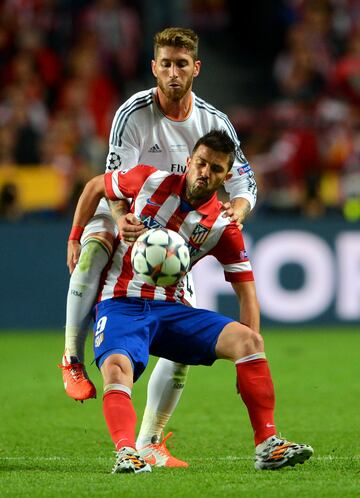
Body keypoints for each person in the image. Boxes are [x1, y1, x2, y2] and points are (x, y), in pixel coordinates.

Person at [60, 27, 257, 467]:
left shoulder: (214, 123)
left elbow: (246, 182)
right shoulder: (132, 113)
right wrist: (117, 220)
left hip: (177, 232)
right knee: (93, 252)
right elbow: (112, 181)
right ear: (154, 66)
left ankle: (151, 440)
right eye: (165, 63)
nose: (172, 72)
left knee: (179, 341)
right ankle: (71, 355)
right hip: (130, 209)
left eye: (181, 64)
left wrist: (239, 209)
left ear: (196, 69)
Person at [67, 130, 313, 474]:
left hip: (173, 311)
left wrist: (250, 363)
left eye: (215, 169)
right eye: (200, 163)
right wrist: (76, 236)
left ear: (226, 177)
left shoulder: (223, 226)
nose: (204, 173)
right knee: (117, 368)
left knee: (249, 340)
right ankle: (127, 451)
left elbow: (247, 290)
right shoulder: (148, 180)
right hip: (121, 302)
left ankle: (268, 444)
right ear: (188, 162)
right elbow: (95, 186)